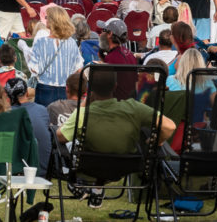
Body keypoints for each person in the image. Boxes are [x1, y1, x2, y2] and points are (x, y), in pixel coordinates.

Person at [57, 65, 177, 209]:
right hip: (126, 166)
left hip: (89, 166)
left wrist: (84, 104)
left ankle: (78, 184)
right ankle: (97, 189)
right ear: (115, 86)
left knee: (85, 144)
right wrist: (157, 140)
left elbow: (60, 137)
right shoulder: (134, 108)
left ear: (90, 89)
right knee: (108, 144)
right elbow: (169, 126)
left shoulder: (83, 114)